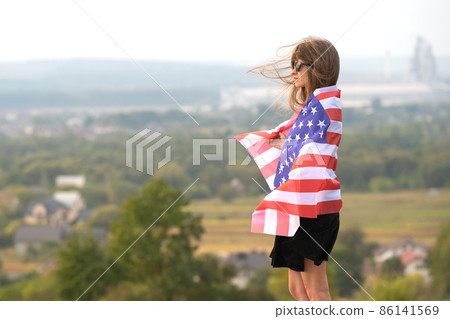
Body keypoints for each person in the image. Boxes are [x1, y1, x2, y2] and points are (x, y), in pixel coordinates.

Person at [242, 36, 342, 301]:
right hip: (295, 205)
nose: (293, 71)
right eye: (292, 65)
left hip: (314, 205)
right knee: (296, 288)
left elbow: (313, 148)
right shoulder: (307, 111)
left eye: (299, 65)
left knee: (316, 289)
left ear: (317, 68)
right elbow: (296, 144)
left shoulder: (326, 106)